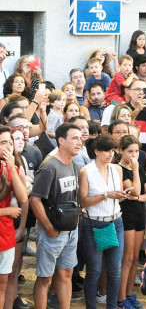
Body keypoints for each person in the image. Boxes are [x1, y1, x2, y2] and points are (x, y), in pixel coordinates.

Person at [30, 123, 82, 309]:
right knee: (45, 278)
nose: (79, 142)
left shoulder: (75, 166)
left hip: (70, 230)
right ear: (61, 140)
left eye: (80, 138)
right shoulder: (49, 167)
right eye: (74, 138)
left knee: (66, 273)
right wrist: (48, 226)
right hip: (52, 231)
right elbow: (35, 200)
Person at [78, 134, 127, 309]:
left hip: (115, 221)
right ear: (97, 151)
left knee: (115, 270)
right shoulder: (86, 171)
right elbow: (83, 202)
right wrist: (106, 195)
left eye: (112, 150)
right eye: (106, 150)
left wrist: (121, 195)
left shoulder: (117, 169)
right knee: (95, 270)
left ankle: (112, 306)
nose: (110, 154)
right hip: (93, 223)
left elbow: (118, 198)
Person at [116, 135, 146, 309]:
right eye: (130, 151)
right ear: (120, 151)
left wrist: (136, 198)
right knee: (127, 258)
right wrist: (137, 170)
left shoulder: (137, 168)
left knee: (136, 257)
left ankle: (129, 293)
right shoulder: (120, 169)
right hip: (127, 215)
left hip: (139, 214)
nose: (134, 155)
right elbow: (136, 190)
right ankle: (121, 297)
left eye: (136, 151)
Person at [0, 126, 28, 308]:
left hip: (6, 234)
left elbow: (24, 197)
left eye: (10, 143)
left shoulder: (11, 168)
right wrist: (5, 212)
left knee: (2, 283)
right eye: (3, 143)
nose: (8, 147)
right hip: (5, 224)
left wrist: (12, 167)